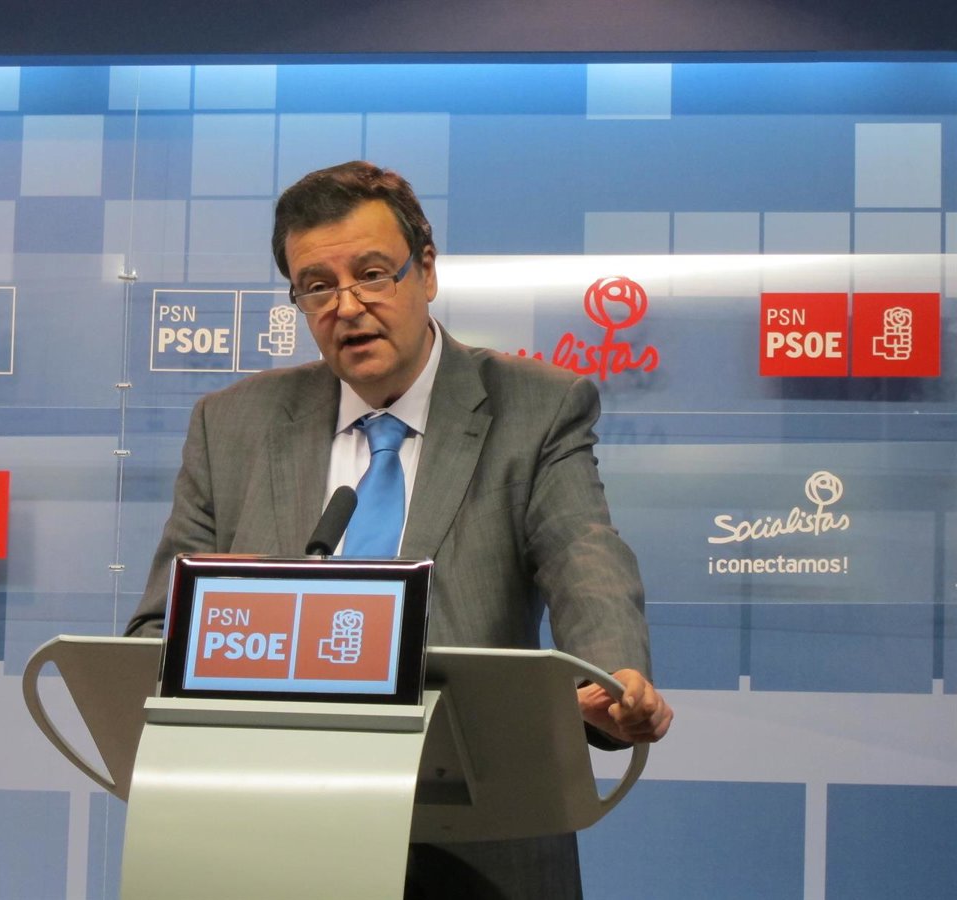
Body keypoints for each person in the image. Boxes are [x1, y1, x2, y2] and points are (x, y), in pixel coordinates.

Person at [126, 160, 673, 899]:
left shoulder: (535, 407)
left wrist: (609, 676)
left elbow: (585, 554)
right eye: (317, 286)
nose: (347, 306)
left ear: (427, 270)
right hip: (268, 837)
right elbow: (159, 630)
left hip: (477, 840)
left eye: (372, 274)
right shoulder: (231, 425)